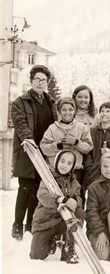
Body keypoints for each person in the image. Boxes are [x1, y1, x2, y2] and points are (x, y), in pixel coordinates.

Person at [11, 65, 57, 240]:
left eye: (43, 80)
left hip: (45, 153)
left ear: (47, 83)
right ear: (31, 81)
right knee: (25, 189)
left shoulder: (51, 102)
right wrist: (28, 139)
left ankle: (30, 225)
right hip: (28, 151)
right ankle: (17, 225)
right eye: (37, 79)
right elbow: (20, 123)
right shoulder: (20, 102)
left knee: (38, 191)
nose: (40, 82)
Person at [30, 150, 84, 264]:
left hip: (63, 222)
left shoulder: (74, 184)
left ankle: (69, 248)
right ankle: (52, 240)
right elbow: (42, 196)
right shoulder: (47, 179)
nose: (65, 165)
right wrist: (60, 199)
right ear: (57, 162)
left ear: (73, 167)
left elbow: (79, 200)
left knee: (79, 212)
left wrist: (74, 200)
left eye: (69, 163)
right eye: (62, 161)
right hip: (45, 222)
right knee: (36, 255)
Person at [40, 97, 93, 200]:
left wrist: (76, 142)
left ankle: (76, 216)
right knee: (57, 198)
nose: (67, 112)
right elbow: (44, 147)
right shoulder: (52, 128)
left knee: (75, 198)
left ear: (75, 111)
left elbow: (89, 147)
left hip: (75, 171)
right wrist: (58, 146)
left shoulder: (81, 128)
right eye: (64, 110)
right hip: (56, 172)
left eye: (70, 109)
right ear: (59, 111)